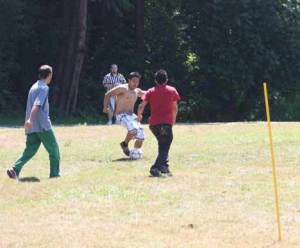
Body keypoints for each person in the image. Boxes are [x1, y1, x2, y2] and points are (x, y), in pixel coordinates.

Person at [6, 65, 60, 180]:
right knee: (54, 149)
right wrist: (30, 119)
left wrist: (29, 121)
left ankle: (15, 169)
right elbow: (37, 104)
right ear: (49, 75)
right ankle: (55, 174)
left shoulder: (33, 86)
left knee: (30, 150)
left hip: (32, 127)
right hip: (42, 125)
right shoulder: (44, 88)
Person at [138, 69, 180, 177]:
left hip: (154, 124)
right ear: (166, 80)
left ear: (156, 81)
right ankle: (155, 167)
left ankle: (164, 167)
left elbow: (142, 105)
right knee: (166, 144)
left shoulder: (151, 91)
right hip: (165, 123)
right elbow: (175, 107)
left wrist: (139, 115)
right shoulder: (172, 90)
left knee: (162, 144)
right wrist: (174, 119)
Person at [103, 72, 145, 157]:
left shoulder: (137, 91)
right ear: (129, 80)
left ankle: (135, 152)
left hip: (131, 116)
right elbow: (108, 94)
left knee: (141, 134)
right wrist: (105, 107)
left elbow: (148, 94)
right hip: (121, 115)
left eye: (137, 82)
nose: (135, 83)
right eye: (133, 81)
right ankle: (125, 144)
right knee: (134, 130)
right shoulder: (123, 88)